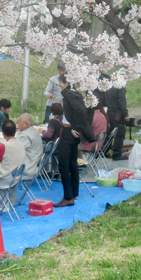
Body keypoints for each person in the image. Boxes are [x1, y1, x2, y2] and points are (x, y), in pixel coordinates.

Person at [56, 75, 96, 207]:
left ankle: (68, 197)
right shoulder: (76, 94)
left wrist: (74, 126)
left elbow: (80, 110)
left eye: (61, 83)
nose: (59, 85)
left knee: (64, 164)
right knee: (72, 163)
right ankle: (73, 193)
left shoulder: (69, 95)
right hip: (71, 131)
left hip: (69, 131)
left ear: (66, 83)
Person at [9, 113, 44, 203]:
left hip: (27, 169)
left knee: (3, 172)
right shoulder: (33, 132)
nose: (17, 122)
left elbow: (12, 148)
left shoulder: (25, 136)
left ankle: (5, 201)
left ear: (25, 124)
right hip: (33, 166)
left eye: (19, 121)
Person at [98, 72, 131, 161]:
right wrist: (126, 114)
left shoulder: (110, 86)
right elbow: (121, 102)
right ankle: (117, 154)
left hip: (109, 112)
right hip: (117, 113)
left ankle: (103, 151)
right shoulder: (120, 87)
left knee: (109, 133)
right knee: (119, 134)